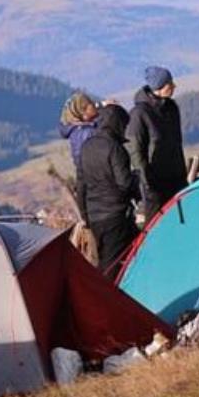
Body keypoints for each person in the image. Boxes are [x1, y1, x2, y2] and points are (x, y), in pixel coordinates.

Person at [75, 104, 141, 276]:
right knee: (113, 267)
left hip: (95, 217)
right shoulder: (115, 148)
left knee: (105, 260)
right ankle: (108, 299)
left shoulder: (86, 147)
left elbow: (81, 186)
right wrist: (137, 178)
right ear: (117, 124)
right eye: (124, 126)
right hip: (116, 216)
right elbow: (125, 184)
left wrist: (85, 217)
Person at [127, 66, 186, 222]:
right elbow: (135, 149)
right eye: (169, 83)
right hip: (155, 184)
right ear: (159, 87)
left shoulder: (172, 109)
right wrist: (147, 181)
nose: (174, 86)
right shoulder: (139, 114)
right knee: (156, 225)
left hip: (176, 179)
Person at [58, 91, 101, 170]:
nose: (93, 104)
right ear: (83, 111)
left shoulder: (76, 130)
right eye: (90, 103)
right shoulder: (88, 132)